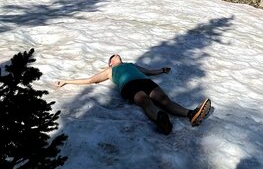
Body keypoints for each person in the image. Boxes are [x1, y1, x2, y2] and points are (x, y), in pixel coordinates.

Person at [56, 54, 211, 135]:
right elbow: (91, 80)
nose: (116, 54)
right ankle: (161, 120)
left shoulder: (131, 65)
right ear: (110, 63)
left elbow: (149, 71)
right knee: (144, 101)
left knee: (163, 99)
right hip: (128, 86)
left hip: (145, 81)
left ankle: (191, 114)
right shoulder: (110, 71)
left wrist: (162, 70)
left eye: (117, 54)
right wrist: (66, 81)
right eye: (113, 56)